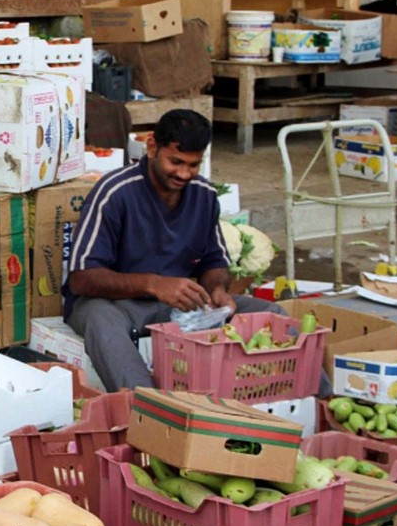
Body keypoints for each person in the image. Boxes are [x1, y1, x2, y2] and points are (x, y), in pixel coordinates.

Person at [63, 109, 284, 392]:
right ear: (152, 147)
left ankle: (317, 402)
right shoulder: (115, 192)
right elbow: (83, 278)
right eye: (176, 162)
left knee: (271, 313)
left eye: (193, 165)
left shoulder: (204, 195)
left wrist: (217, 290)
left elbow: (213, 261)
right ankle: (147, 408)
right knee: (102, 323)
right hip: (114, 305)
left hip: (177, 307)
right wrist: (154, 284)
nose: (183, 173)